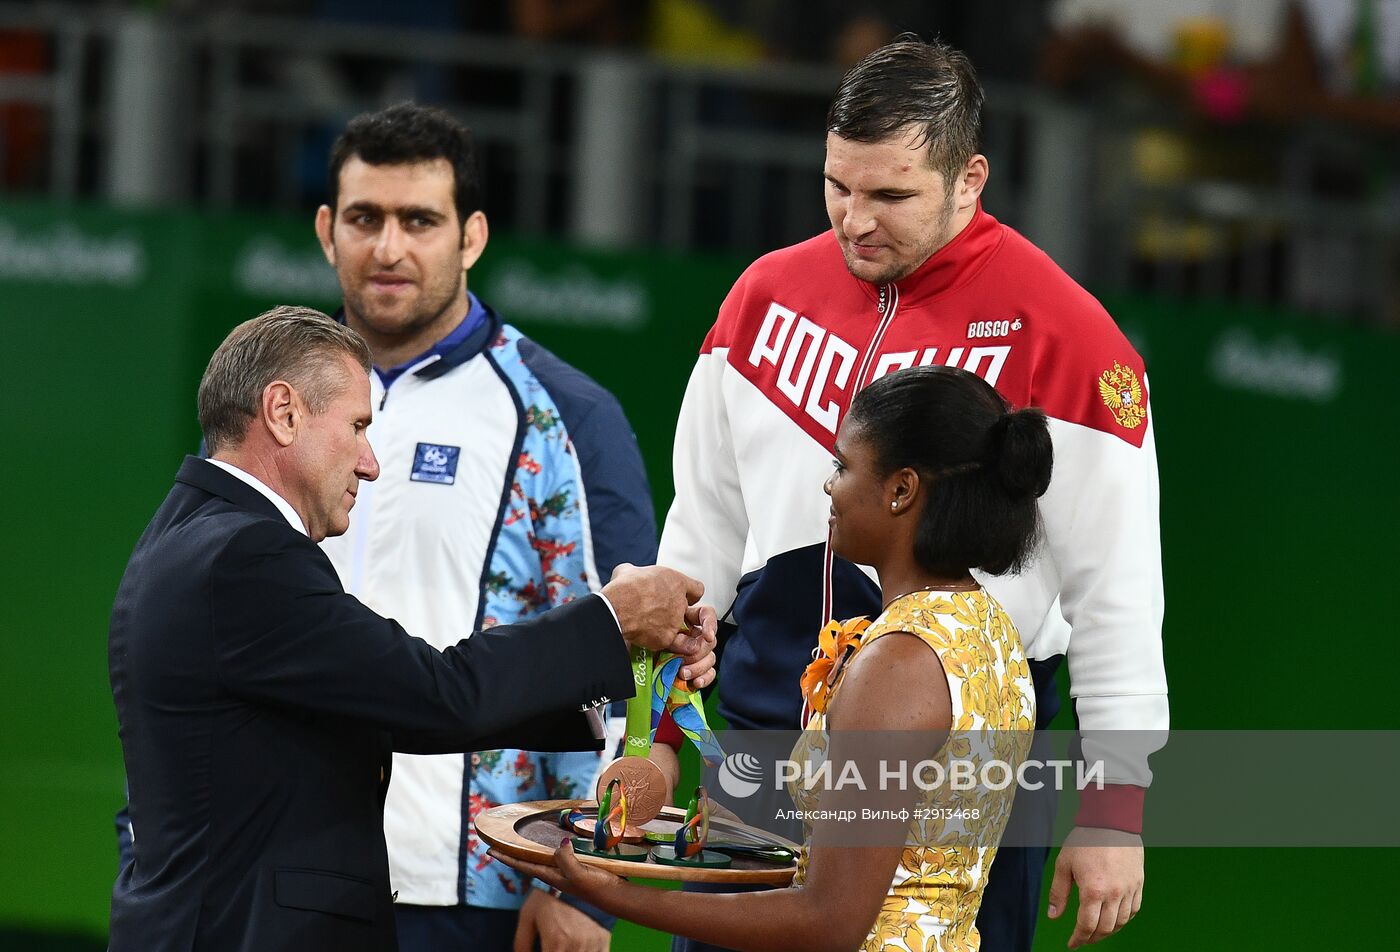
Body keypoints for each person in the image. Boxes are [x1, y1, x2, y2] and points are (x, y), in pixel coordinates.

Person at [657, 36, 1166, 951]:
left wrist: (1114, 809)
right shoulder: (761, 298)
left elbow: (1119, 599)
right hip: (762, 747)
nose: (855, 221)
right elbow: (699, 539)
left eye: (891, 196)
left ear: (970, 179)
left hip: (961, 778)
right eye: (837, 187)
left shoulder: (1072, 339)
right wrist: (656, 736)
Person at [107, 305, 717, 952]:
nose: (371, 464)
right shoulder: (248, 557)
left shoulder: (185, 534)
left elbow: (384, 705)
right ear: (283, 413)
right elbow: (435, 694)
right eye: (358, 427)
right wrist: (613, 620)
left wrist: (619, 679)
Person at [492, 364, 1049, 951]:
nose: (828, 487)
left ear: (901, 490)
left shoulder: (900, 663)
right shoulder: (989, 627)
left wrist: (614, 894)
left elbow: (829, 921)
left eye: (843, 466)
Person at [311, 101, 673, 951]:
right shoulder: (281, 402)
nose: (389, 248)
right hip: (293, 868)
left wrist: (583, 884)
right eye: (365, 218)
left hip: (482, 884)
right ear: (328, 230)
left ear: (471, 236)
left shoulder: (563, 415)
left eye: (420, 221)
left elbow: (634, 655)